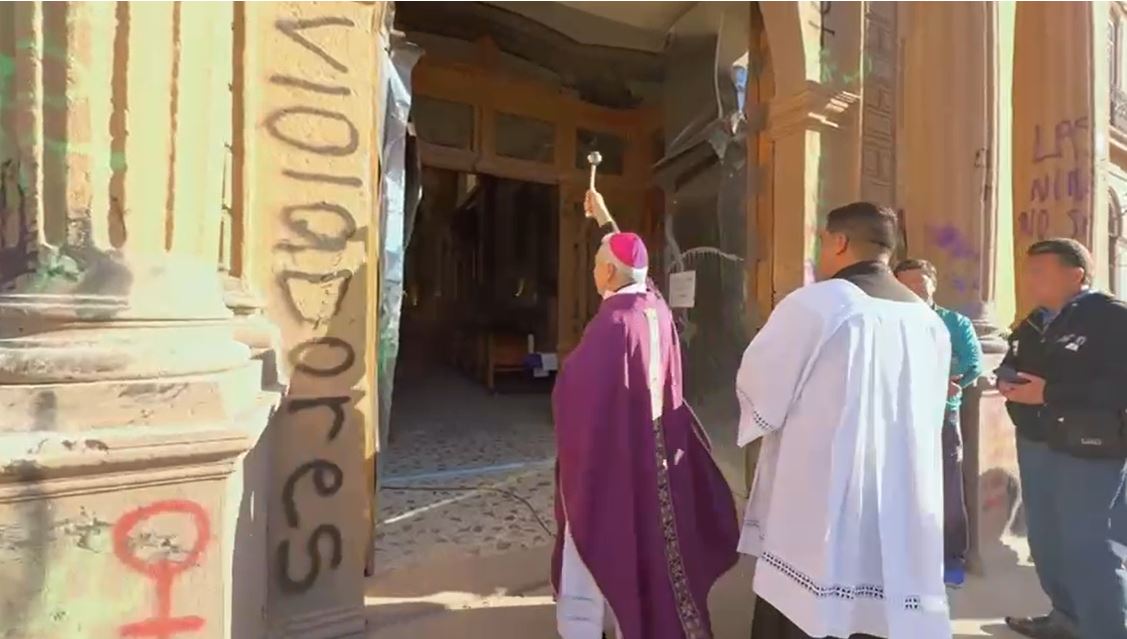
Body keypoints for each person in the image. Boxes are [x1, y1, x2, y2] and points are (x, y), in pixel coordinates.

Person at [735, 202, 952, 639]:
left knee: (814, 592)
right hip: (900, 486)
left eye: (822, 242)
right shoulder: (928, 320)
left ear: (839, 242)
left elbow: (761, 384)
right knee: (883, 588)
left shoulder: (817, 304)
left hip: (824, 487)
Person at [550, 189, 740, 639]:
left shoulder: (613, 324)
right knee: (648, 548)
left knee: (593, 541)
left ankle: (581, 628)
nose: (593, 271)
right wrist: (605, 218)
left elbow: (575, 392)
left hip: (614, 462)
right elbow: (636, 269)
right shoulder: (655, 307)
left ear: (608, 273)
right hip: (658, 458)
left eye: (596, 264)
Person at [1000, 238, 1127, 639]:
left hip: (1088, 448)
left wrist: (1050, 393)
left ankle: (1106, 629)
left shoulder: (1112, 317)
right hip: (1036, 441)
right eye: (1028, 271)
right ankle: (1066, 618)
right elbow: (1014, 360)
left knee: (1088, 544)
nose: (1029, 280)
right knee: (1046, 540)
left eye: (1040, 271)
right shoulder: (1034, 321)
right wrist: (1007, 379)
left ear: (1076, 275)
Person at [894, 258, 984, 587]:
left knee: (947, 487)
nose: (914, 288)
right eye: (905, 283)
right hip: (898, 413)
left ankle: (951, 559)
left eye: (920, 281)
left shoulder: (954, 322)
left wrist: (943, 380)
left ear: (933, 283)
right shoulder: (889, 321)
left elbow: (972, 363)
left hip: (942, 414)